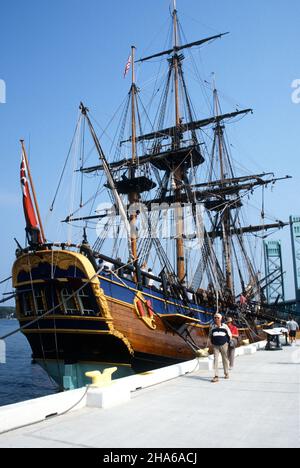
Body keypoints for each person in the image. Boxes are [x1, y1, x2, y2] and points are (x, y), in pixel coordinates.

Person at [209, 313, 232, 383]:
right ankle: (216, 376)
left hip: (224, 345)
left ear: (221, 319)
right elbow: (210, 335)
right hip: (215, 345)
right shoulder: (212, 326)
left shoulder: (225, 326)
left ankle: (226, 373)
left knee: (225, 359)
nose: (216, 319)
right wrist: (213, 342)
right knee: (215, 359)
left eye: (217, 318)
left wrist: (227, 342)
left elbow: (229, 335)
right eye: (215, 318)